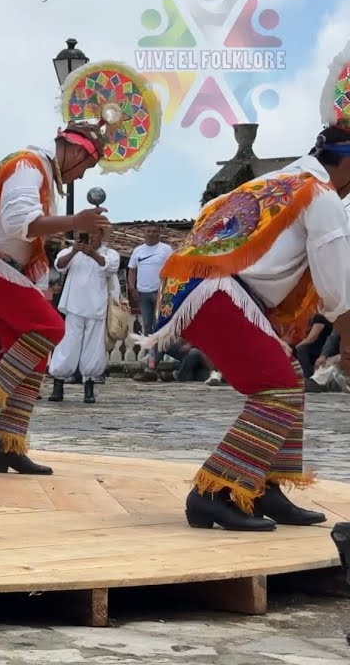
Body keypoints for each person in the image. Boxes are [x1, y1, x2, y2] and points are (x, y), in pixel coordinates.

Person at [143, 123, 350, 531]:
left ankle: (258, 486)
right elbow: (335, 289)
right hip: (219, 291)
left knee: (288, 377)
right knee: (277, 392)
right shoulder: (320, 196)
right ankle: (213, 493)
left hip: (203, 286)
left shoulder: (280, 179)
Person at [0, 121, 111, 475]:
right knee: (49, 328)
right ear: (77, 151)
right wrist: (75, 220)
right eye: (86, 168)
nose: (79, 178)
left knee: (33, 355)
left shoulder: (39, 173)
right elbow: (21, 223)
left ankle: (8, 445)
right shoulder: (27, 166)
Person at [46, 228, 119, 403]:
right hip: (73, 306)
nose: (89, 236)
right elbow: (60, 266)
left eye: (94, 233)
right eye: (85, 234)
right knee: (68, 344)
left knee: (93, 348)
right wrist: (74, 251)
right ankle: (58, 383)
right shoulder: (71, 250)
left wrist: (93, 254)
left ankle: (89, 386)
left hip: (96, 307)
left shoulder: (110, 253)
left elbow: (110, 267)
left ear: (101, 234)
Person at [127, 224, 173, 381]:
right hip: (143, 293)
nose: (151, 234)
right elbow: (132, 270)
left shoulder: (166, 249)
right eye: (148, 231)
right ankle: (149, 358)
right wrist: (132, 288)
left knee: (160, 326)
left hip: (160, 293)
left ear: (159, 233)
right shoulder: (138, 251)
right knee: (147, 326)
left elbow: (173, 268)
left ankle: (154, 361)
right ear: (144, 233)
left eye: (154, 231)